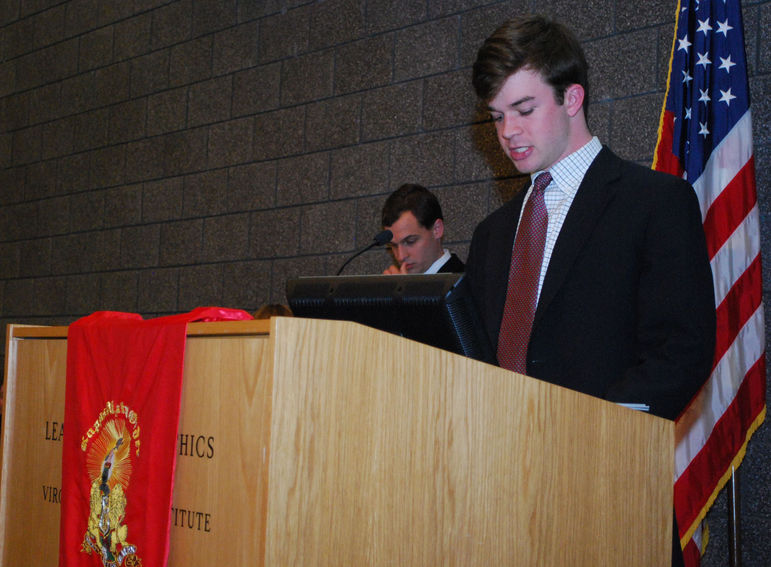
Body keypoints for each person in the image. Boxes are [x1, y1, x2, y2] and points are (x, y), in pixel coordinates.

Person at [467, 16, 715, 566]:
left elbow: (682, 350)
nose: (508, 131)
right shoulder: (491, 235)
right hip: (497, 499)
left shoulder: (654, 202)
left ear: (572, 97)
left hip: (608, 492)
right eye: (497, 116)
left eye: (524, 109)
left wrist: (586, 437)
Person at [380, 184, 464, 274]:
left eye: (410, 241)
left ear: (437, 229)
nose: (401, 256)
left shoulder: (467, 280)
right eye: (393, 246)